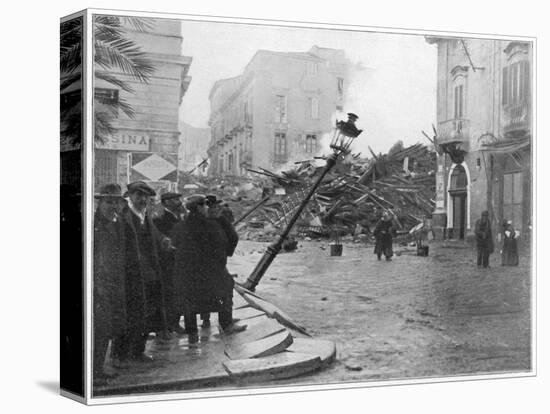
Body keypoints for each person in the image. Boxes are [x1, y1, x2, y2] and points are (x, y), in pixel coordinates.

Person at [172, 194, 245, 343]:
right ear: (199, 208)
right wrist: (219, 264)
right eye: (204, 206)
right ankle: (226, 324)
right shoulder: (211, 226)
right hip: (211, 271)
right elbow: (222, 245)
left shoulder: (180, 226)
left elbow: (175, 248)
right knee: (226, 289)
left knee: (189, 301)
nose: (207, 208)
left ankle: (192, 333)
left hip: (187, 272)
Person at [113, 181, 172, 363]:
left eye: (146, 196)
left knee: (146, 314)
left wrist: (163, 240)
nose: (143, 199)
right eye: (139, 195)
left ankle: (138, 351)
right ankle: (120, 355)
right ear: (129, 196)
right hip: (130, 274)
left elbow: (153, 234)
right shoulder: (123, 216)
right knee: (128, 314)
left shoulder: (144, 215)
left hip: (148, 273)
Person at [93, 184, 127, 384]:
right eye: (108, 202)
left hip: (115, 283)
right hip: (98, 285)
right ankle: (93, 371)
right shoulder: (94, 225)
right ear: (100, 203)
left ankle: (99, 367)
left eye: (116, 202)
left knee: (108, 328)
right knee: (98, 328)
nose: (112, 205)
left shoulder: (118, 222)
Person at [153, 192, 185, 334]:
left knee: (176, 293)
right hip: (167, 261)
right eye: (175, 199)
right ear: (166, 202)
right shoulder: (161, 218)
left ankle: (173, 323)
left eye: (179, 199)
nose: (179, 201)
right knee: (168, 293)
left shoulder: (178, 216)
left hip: (177, 260)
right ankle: (168, 325)